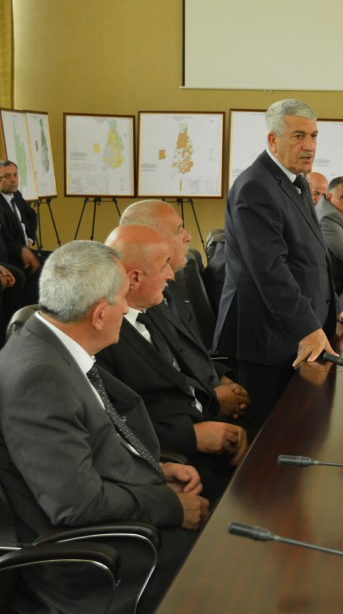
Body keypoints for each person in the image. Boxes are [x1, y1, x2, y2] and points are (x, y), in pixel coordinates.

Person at [0, 240, 209, 613]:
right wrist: (169, 506)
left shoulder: (47, 340)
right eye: (122, 300)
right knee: (225, 564)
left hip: (109, 522)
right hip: (89, 562)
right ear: (99, 314)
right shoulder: (40, 378)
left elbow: (86, 450)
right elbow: (77, 505)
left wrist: (155, 471)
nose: (127, 308)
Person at [96, 226, 248, 502]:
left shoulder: (152, 308)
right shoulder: (102, 337)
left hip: (204, 430)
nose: (170, 274)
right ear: (135, 278)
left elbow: (189, 362)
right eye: (164, 265)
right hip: (173, 461)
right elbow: (112, 425)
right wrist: (192, 436)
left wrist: (220, 420)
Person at [213, 99, 337, 430]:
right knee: (269, 445)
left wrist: (330, 310)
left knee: (298, 432)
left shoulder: (295, 182)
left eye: (313, 136)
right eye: (298, 136)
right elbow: (270, 271)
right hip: (265, 341)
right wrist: (309, 327)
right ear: (273, 140)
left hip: (291, 333)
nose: (309, 146)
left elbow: (312, 257)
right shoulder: (256, 187)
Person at [119, 200, 250, 421]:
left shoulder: (169, 286)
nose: (188, 236)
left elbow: (187, 352)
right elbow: (158, 381)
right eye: (179, 229)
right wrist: (212, 396)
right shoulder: (135, 299)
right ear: (151, 238)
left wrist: (221, 378)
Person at [0, 161, 41, 303]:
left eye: (15, 175)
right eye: (7, 176)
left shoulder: (16, 195)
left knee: (55, 260)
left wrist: (30, 240)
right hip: (13, 253)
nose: (13, 180)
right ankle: (24, 315)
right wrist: (23, 250)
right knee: (38, 269)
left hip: (25, 247)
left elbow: (31, 215)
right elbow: (5, 239)